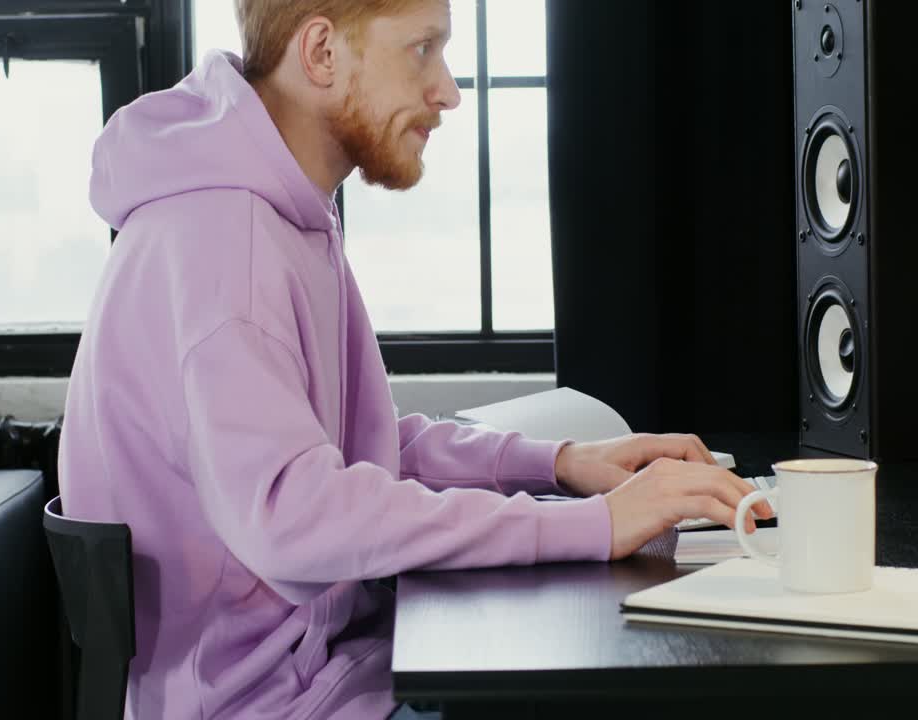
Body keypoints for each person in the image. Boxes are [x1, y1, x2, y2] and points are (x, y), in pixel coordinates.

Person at [59, 1, 773, 718]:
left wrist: (558, 463)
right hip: (275, 705)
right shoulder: (228, 246)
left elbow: (346, 450)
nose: (449, 90)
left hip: (326, 670)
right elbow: (295, 515)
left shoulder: (279, 215)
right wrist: (596, 526)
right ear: (322, 54)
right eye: (422, 49)